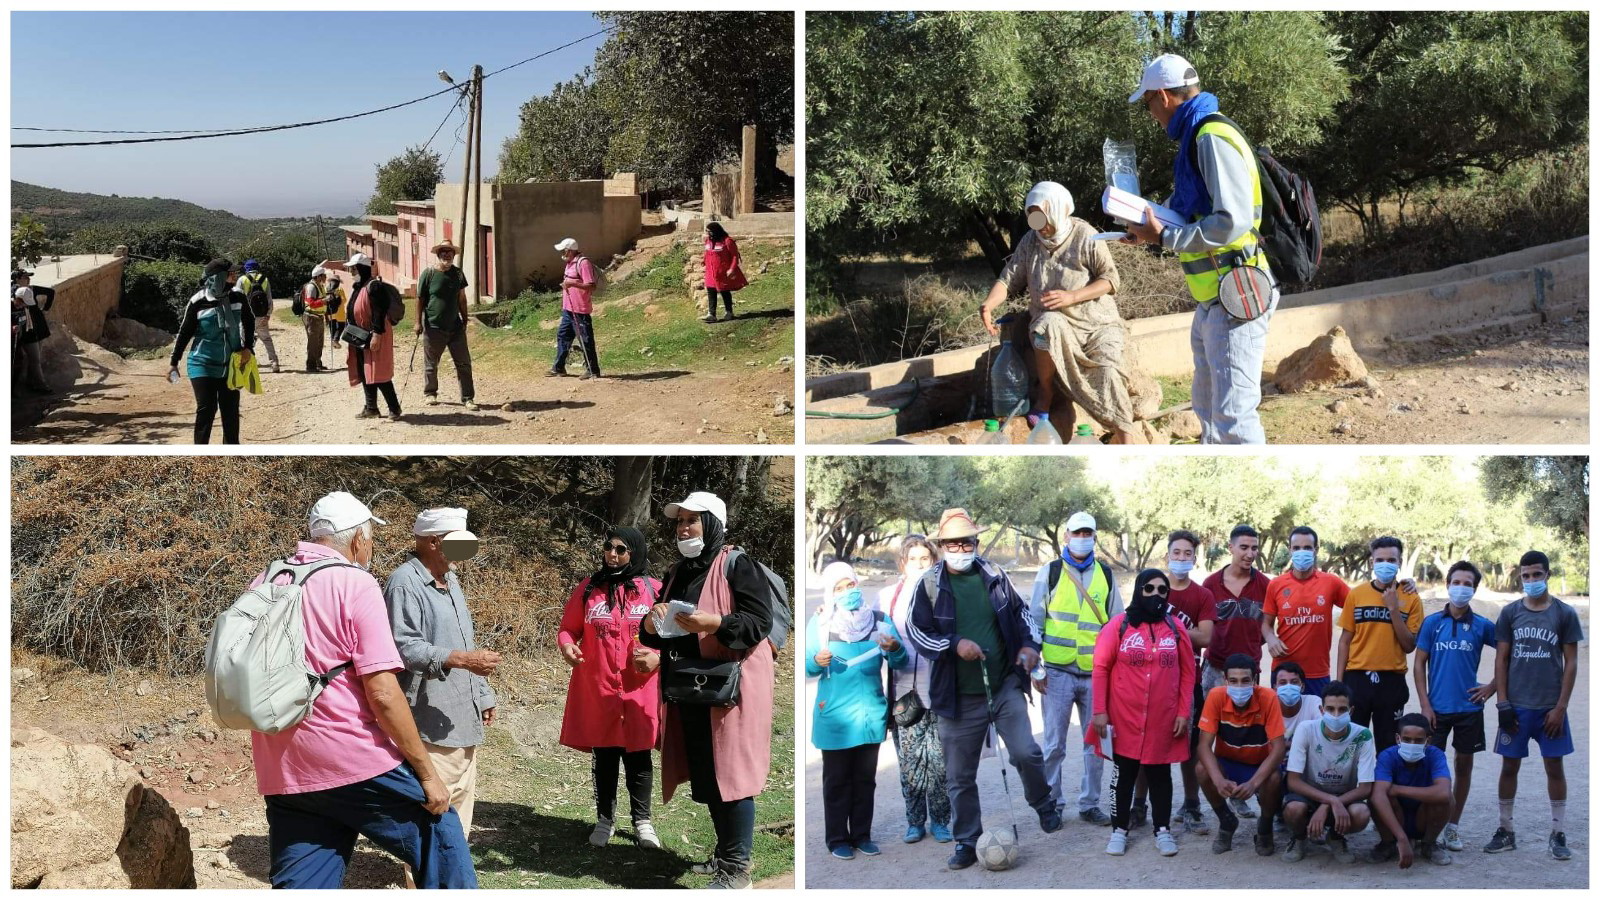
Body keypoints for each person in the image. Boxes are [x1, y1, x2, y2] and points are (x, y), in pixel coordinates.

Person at [252, 492, 475, 888]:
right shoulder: (355, 582)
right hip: (348, 758)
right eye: (370, 537)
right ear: (358, 540)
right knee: (439, 831)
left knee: (305, 878)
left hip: (281, 764)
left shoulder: (270, 577)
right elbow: (384, 693)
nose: (370, 545)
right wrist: (426, 774)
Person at [1122, 54, 1276, 444]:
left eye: (1148, 104)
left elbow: (1231, 221)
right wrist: (1148, 231)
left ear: (1162, 96)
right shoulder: (1197, 135)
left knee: (1233, 418)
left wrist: (1168, 238)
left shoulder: (1210, 137)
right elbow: (1194, 209)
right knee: (1209, 412)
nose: (1151, 113)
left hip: (1236, 294)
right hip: (1215, 299)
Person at [902, 507, 1060, 871]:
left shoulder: (995, 574)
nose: (961, 548)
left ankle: (1043, 803)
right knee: (959, 776)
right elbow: (917, 631)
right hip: (957, 696)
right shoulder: (929, 584)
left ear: (977, 542)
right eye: (953, 543)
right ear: (942, 546)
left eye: (967, 541)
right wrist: (953, 645)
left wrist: (1029, 648)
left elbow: (1022, 616)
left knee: (1026, 752)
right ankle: (966, 840)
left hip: (1003, 684)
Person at [638, 491, 777, 889]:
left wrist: (713, 624)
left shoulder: (738, 564)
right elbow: (663, 633)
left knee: (732, 774)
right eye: (679, 522)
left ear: (712, 524)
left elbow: (757, 623)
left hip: (734, 689)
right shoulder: (679, 571)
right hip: (693, 687)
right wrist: (650, 626)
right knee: (709, 772)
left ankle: (737, 871)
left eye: (691, 521)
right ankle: (724, 854)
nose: (683, 528)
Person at [383, 507, 499, 887]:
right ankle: (424, 880)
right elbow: (402, 648)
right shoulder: (404, 583)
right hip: (427, 719)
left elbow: (465, 641)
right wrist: (461, 660)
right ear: (434, 541)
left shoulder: (451, 581)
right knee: (434, 807)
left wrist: (482, 693)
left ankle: (451, 878)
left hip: (460, 714)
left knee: (461, 803)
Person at [980, 182, 1143, 443]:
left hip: (1096, 327)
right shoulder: (1030, 242)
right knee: (1046, 324)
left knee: (1109, 373)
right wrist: (989, 304)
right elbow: (1008, 279)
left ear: (1058, 211)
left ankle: (1124, 433)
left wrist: (1072, 296)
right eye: (1033, 218)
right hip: (1057, 327)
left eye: (1043, 217)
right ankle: (1045, 393)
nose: (1040, 225)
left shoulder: (1084, 235)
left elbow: (1111, 280)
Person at [557, 526, 664, 850]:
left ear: (635, 552)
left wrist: (658, 657)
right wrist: (566, 646)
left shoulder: (654, 590)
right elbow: (568, 629)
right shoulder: (589, 589)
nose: (612, 555)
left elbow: (674, 638)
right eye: (608, 548)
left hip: (639, 689)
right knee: (604, 757)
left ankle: (643, 823)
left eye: (621, 549)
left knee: (638, 757)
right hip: (599, 687)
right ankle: (605, 820)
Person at [1090, 568, 1195, 857]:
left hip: (1163, 717)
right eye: (1149, 589)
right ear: (1139, 590)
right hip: (1124, 717)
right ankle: (1119, 830)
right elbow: (1100, 669)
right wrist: (1100, 711)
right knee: (1123, 775)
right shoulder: (1119, 626)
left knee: (1160, 774)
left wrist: (1183, 712)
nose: (1156, 595)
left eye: (1162, 590)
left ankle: (1162, 830)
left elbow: (1188, 673)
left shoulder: (1175, 628)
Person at [808, 561, 909, 860]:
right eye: (839, 588)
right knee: (837, 781)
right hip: (834, 718)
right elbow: (806, 664)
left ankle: (863, 836)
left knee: (865, 781)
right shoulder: (822, 622)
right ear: (830, 592)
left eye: (850, 585)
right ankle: (837, 839)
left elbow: (900, 659)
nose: (847, 592)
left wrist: (894, 649)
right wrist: (817, 660)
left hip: (869, 715)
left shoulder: (879, 620)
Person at [1486, 550, 1583, 860]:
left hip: (1550, 707)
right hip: (1517, 706)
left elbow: (1571, 663)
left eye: (1536, 575)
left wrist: (1561, 707)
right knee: (1509, 766)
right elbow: (1501, 658)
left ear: (1547, 575)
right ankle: (1506, 830)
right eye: (1526, 576)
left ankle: (1558, 832)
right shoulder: (1511, 612)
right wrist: (1503, 704)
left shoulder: (1564, 613)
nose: (1531, 581)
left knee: (1554, 766)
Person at [1029, 511, 1121, 827]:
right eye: (1077, 533)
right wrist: (1035, 668)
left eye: (1088, 533)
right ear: (1067, 535)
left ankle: (1089, 804)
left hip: (1095, 674)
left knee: (1094, 744)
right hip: (1056, 672)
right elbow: (1034, 622)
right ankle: (1052, 803)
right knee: (1054, 743)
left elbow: (1116, 624)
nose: (1083, 538)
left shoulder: (1106, 575)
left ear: (1095, 536)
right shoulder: (1050, 572)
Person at [1413, 560, 1497, 852]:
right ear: (1448, 584)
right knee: (1430, 769)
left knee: (1463, 767)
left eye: (1467, 584)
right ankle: (1425, 826)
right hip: (1435, 711)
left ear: (1474, 589)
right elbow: (1419, 663)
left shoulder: (1483, 625)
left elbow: (1508, 654)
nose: (1461, 588)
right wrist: (1425, 705)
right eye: (1456, 582)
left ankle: (1452, 827)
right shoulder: (1432, 623)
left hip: (1469, 711)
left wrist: (1492, 687)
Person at [877, 535, 952, 844]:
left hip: (940, 691)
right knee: (909, 763)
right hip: (904, 694)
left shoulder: (947, 594)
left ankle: (941, 821)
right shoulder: (886, 597)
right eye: (913, 560)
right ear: (902, 564)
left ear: (934, 561)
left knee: (940, 763)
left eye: (926, 559)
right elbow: (865, 629)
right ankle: (914, 822)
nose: (920, 565)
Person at [1200, 525, 1270, 819]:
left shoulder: (1265, 585)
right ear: (1230, 548)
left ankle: (1240, 793)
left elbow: (1268, 627)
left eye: (1254, 548)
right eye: (1244, 547)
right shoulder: (1211, 584)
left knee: (1243, 731)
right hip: (1215, 668)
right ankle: (1212, 789)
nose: (1250, 554)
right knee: (1210, 732)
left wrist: (1252, 647)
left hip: (1249, 672)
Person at [1334, 536, 1423, 752]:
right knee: (1352, 744)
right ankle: (1355, 786)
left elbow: (1409, 645)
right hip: (1356, 678)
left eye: (1391, 560)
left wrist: (1393, 609)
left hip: (1391, 681)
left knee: (1388, 745)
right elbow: (1345, 641)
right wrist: (1339, 683)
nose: (1386, 564)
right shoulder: (1357, 594)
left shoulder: (1411, 598)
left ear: (1400, 562)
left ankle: (1384, 786)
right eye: (1380, 559)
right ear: (1372, 562)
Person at [1195, 653, 1286, 856]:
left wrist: (1253, 784)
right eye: (1233, 681)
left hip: (1259, 764)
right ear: (1225, 681)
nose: (1239, 687)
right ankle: (1226, 821)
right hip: (1228, 762)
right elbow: (1203, 746)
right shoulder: (1216, 696)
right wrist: (1218, 780)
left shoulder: (1268, 697)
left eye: (1245, 680)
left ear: (1255, 680)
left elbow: (1278, 748)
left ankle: (1265, 828)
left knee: (1273, 778)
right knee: (1202, 769)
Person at [1156, 529, 1217, 834]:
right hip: (1153, 677)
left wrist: (1167, 627)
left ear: (1195, 558)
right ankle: (1142, 803)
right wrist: (1180, 633)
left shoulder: (1201, 595)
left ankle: (1191, 804)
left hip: (1188, 676)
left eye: (1187, 554)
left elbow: (1205, 637)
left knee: (1190, 743)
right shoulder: (1153, 586)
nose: (1181, 558)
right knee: (1149, 740)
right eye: (1176, 552)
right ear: (1167, 554)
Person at [1282, 680, 1374, 864]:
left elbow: (1365, 788)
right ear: (1321, 710)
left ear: (1351, 711)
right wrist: (1330, 800)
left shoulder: (1363, 735)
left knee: (1362, 813)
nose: (1336, 714)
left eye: (1342, 709)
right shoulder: (1306, 729)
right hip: (1309, 795)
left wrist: (1331, 803)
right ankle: (1299, 838)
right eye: (1330, 709)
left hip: (1343, 796)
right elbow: (1293, 781)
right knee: (1293, 809)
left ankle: (1336, 837)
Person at [168, 258, 255, 444]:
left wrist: (249, 348)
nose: (235, 275)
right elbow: (184, 333)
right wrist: (173, 363)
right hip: (202, 364)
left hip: (231, 364)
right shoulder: (198, 302)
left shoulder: (237, 297)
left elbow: (249, 321)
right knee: (207, 409)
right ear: (219, 278)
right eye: (231, 273)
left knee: (230, 411)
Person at [1263, 526, 1348, 697]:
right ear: (1290, 550)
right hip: (1284, 672)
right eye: (1297, 548)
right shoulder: (1276, 584)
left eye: (1307, 548)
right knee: (1283, 722)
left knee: (1316, 721)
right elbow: (1266, 624)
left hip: (1318, 673)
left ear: (1316, 550)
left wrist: (1402, 586)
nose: (1302, 552)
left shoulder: (1331, 582)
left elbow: (1359, 603)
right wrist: (1270, 638)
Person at [1370, 714, 1454, 868]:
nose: (1412, 744)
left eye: (1418, 740)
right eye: (1407, 739)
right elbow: (1377, 797)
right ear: (1398, 738)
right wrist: (1401, 838)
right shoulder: (1387, 756)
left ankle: (1429, 844)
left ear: (1427, 741)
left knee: (1445, 800)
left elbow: (1443, 793)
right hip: (1395, 816)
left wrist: (1398, 789)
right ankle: (1388, 842)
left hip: (1424, 817)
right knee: (1377, 796)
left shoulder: (1435, 755)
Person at [416, 241, 477, 410]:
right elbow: (420, 299)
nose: (447, 255)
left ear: (454, 255)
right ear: (438, 254)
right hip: (433, 326)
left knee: (464, 363)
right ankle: (430, 394)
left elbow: (462, 298)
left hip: (455, 327)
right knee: (431, 364)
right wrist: (417, 322)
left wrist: (465, 318)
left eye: (450, 252)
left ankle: (467, 398)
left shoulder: (458, 274)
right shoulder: (428, 274)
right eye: (443, 252)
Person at [345, 253, 402, 421]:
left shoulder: (374, 286)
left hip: (375, 335)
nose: (351, 271)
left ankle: (394, 408)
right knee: (365, 372)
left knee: (379, 373)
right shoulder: (359, 286)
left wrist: (377, 334)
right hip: (360, 336)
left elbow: (379, 311)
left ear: (362, 268)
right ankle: (371, 408)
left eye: (354, 268)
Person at [548, 238, 600, 380]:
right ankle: (558, 367)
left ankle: (593, 370)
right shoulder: (569, 264)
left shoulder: (583, 263)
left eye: (564, 250)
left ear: (570, 250)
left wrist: (572, 284)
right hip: (568, 310)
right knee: (563, 336)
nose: (562, 253)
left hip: (580, 310)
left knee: (585, 339)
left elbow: (591, 285)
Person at [11, 269, 54, 394]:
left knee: (34, 359)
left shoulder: (29, 290)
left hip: (33, 331)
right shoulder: (15, 293)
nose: (28, 279)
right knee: (27, 360)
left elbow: (51, 292)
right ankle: (38, 385)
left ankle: (35, 383)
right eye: (25, 277)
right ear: (17, 279)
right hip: (21, 333)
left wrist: (45, 308)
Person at [238, 259, 280, 373]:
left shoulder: (242, 279)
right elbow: (269, 298)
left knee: (244, 340)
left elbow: (237, 299)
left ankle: (245, 365)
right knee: (266, 339)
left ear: (246, 268)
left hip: (246, 316)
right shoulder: (264, 279)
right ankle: (274, 363)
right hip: (261, 315)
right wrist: (268, 314)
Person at [702, 222, 746, 323]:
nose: (708, 234)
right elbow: (707, 253)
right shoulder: (708, 241)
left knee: (724, 291)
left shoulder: (727, 241)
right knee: (710, 291)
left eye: (709, 232)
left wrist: (732, 269)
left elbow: (735, 256)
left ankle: (729, 312)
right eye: (707, 231)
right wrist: (703, 260)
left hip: (722, 273)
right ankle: (711, 314)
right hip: (710, 272)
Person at [301, 266, 330, 371]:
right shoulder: (311, 287)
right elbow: (311, 303)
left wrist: (326, 315)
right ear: (318, 277)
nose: (325, 277)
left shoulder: (320, 286)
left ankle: (318, 362)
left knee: (319, 342)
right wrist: (324, 301)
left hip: (319, 317)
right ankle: (311, 365)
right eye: (324, 275)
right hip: (311, 317)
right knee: (313, 343)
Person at [327, 273, 348, 349]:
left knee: (332, 327)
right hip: (340, 313)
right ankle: (336, 339)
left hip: (330, 312)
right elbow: (344, 300)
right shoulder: (340, 289)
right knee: (341, 326)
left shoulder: (327, 288)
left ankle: (333, 340)